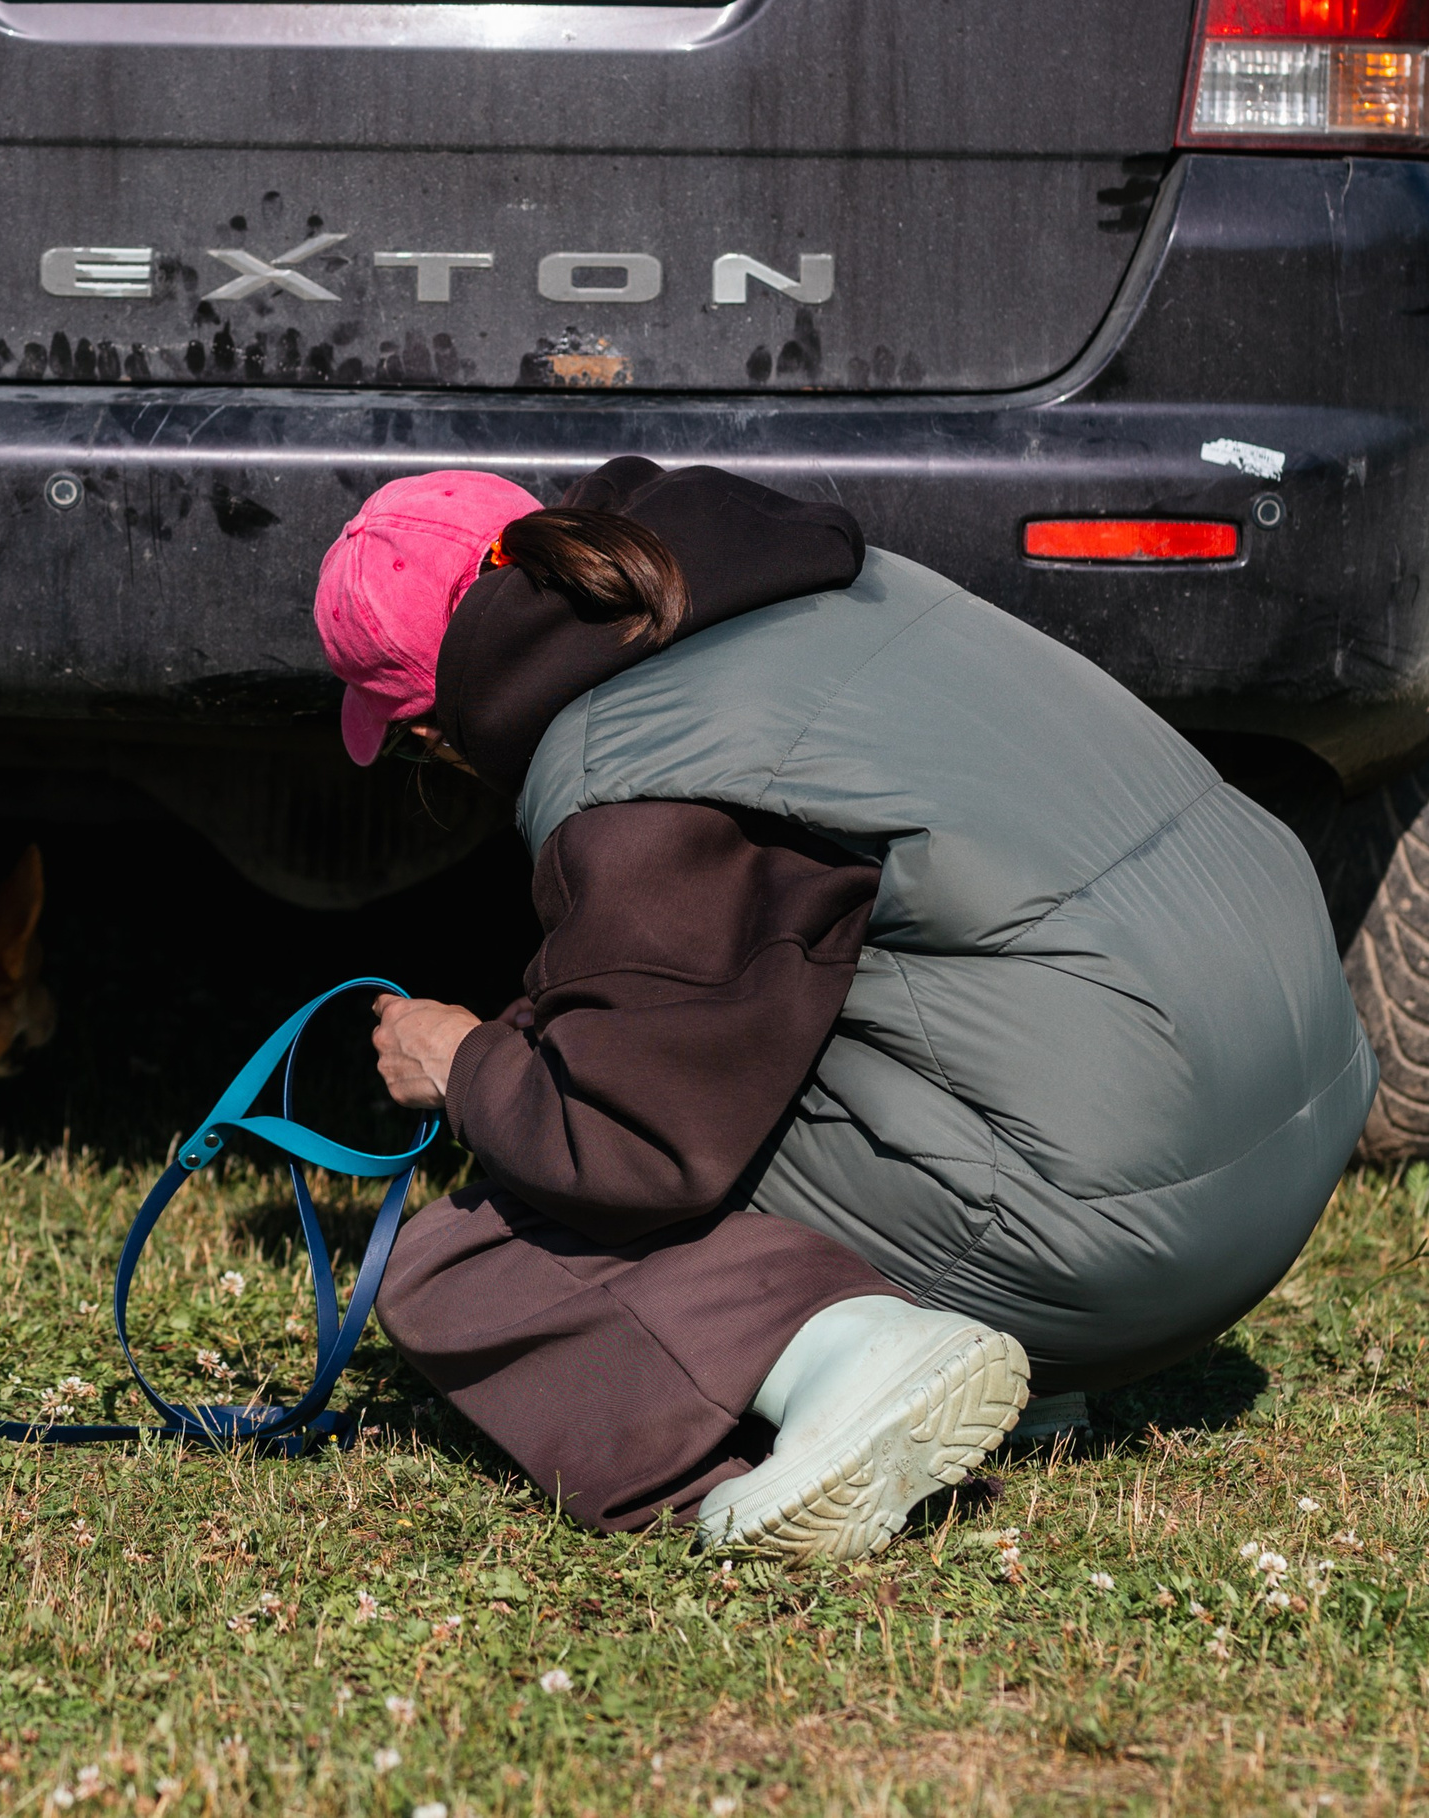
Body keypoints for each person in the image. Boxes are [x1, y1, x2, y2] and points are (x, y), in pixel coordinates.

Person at [317, 461, 1374, 1562]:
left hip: (1125, 1223)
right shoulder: (830, 583)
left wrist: (468, 1065)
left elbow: (625, 1142)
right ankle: (1027, 1364)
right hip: (1294, 1093)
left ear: (435, 723)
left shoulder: (627, 768)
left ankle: (854, 1354)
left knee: (468, 1258)